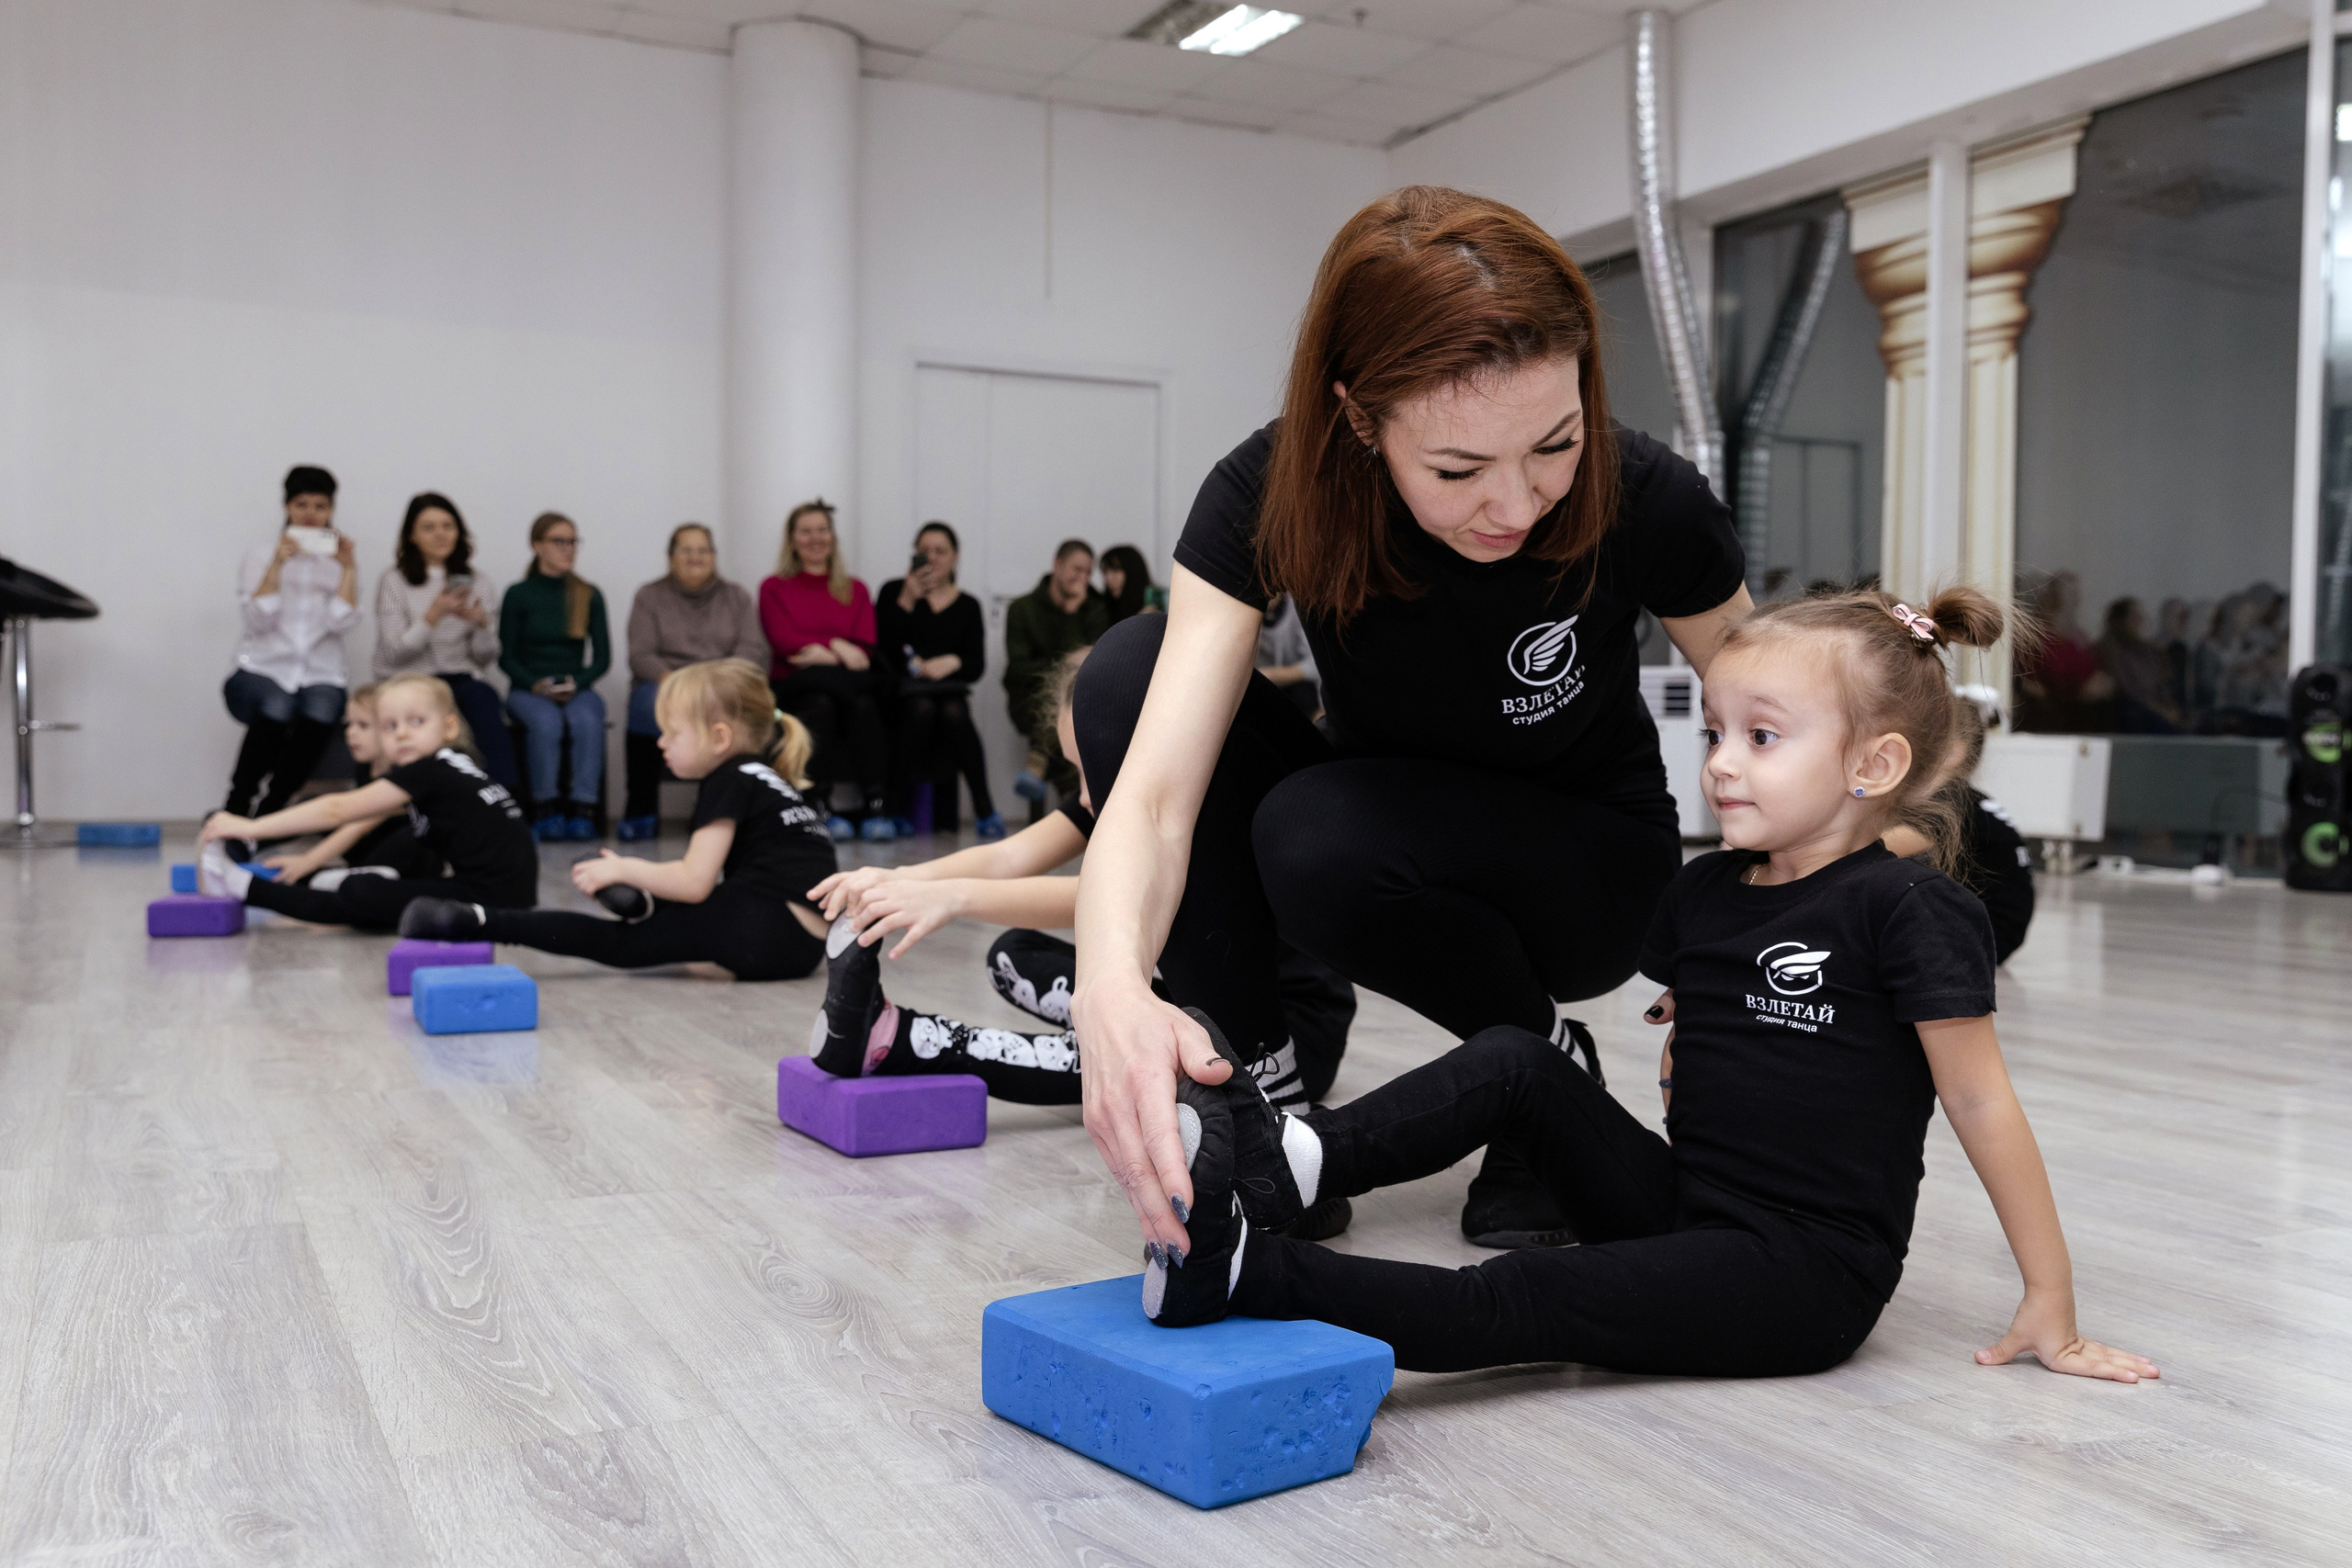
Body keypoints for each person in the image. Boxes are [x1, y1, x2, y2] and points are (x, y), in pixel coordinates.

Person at [1136, 587, 2161, 1409]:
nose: (1719, 763)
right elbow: (1699, 1021)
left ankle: (1244, 1274)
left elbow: (1982, 1105)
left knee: (1529, 1294)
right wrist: (1690, 1036)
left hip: (1797, 1275)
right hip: (1686, 1204)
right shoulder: (1709, 886)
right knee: (1515, 1058)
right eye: (1716, 731)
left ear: (1872, 765)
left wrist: (2049, 1298)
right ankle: (1286, 1167)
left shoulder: (1909, 909)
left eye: (1762, 738)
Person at [1068, 187, 1753, 1257]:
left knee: (1319, 829)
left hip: (1585, 864)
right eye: (1457, 470)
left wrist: (1743, 956)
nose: (1518, 506)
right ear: (1354, 417)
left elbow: (1778, 720)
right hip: (1375, 827)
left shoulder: (1648, 495)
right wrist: (1107, 991)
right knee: (1122, 672)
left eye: (1553, 446)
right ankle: (1258, 1090)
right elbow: (1153, 794)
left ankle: (1537, 1062)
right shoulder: (1270, 491)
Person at [807, 660, 1356, 1112]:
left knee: (1127, 1050)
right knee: (1012, 956)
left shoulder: (1199, 807)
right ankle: (902, 1039)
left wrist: (953, 898)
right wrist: (899, 878)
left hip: (1282, 1038)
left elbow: (1097, 900)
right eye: (1077, 768)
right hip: (1200, 1002)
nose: (1087, 794)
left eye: (1096, 766)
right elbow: (1011, 855)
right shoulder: (1111, 792)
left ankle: (904, 1043)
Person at [401, 660, 833, 982]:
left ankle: (477, 920)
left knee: (620, 945)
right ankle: (649, 904)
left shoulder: (728, 778)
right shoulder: (769, 778)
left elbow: (694, 881)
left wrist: (622, 867)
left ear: (719, 738)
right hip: (808, 946)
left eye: (673, 733)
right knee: (696, 911)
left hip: (765, 932)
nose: (661, 743)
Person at [195, 673, 537, 931]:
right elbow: (354, 818)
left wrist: (250, 825)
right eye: (390, 726)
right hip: (503, 894)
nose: (402, 733)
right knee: (368, 894)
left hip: (494, 902)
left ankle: (242, 886)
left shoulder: (430, 771)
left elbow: (337, 809)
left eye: (416, 722)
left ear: (448, 727)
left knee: (361, 895)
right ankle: (269, 882)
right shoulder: (452, 766)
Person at [222, 465, 358, 835]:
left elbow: (341, 622)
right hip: (261, 669)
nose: (311, 514)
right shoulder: (261, 555)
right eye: (301, 505)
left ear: (331, 510)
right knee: (278, 704)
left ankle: (272, 816)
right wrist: (278, 564)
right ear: (286, 507)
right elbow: (258, 620)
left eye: (320, 506)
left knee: (323, 708)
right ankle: (236, 807)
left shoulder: (337, 564)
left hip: (321, 671)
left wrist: (348, 569)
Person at [620, 524, 767, 841]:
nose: (695, 557)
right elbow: (641, 654)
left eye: (703, 550)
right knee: (646, 704)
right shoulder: (649, 596)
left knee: (740, 710)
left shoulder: (737, 597)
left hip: (723, 685)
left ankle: (717, 809)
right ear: (671, 557)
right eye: (686, 550)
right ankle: (641, 808)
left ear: (714, 556)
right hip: (666, 684)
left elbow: (751, 649)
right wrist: (680, 686)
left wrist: (714, 685)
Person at [372, 491, 521, 794]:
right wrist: (433, 616)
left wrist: (481, 625)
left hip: (461, 676)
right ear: (411, 535)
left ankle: (505, 799)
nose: (440, 534)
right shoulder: (394, 580)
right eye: (428, 527)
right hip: (410, 679)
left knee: (483, 701)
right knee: (424, 708)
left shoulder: (477, 581)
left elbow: (485, 657)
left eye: (448, 526)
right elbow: (395, 653)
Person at [762, 500, 892, 841]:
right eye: (805, 531)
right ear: (792, 540)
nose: (815, 538)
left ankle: (875, 803)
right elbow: (784, 642)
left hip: (847, 687)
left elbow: (864, 651)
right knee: (822, 702)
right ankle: (818, 804)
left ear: (833, 538)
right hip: (794, 687)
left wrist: (824, 649)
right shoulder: (773, 587)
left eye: (822, 530)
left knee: (860, 703)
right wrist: (839, 645)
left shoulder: (857, 589)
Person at [1883, 689, 2035, 964]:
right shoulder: (1963, 796)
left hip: (1984, 934)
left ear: (1953, 752)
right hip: (1994, 928)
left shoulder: (1950, 801)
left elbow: (1883, 848)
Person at [876, 522, 1003, 840]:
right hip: (902, 697)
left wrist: (953, 661)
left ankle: (985, 810)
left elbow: (976, 666)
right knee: (923, 707)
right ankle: (891, 810)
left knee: (952, 710)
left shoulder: (968, 605)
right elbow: (884, 653)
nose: (931, 558)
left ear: (955, 557)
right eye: (924, 552)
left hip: (948, 694)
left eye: (940, 551)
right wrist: (907, 599)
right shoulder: (894, 592)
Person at [256, 683, 441, 887]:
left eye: (362, 725)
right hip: (373, 848)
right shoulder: (364, 767)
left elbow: (358, 825)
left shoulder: (407, 775)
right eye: (349, 724)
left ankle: (346, 881)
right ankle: (252, 846)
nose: (350, 733)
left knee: (411, 838)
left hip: (410, 859)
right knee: (313, 805)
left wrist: (308, 861)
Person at [501, 512, 612, 840]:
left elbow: (603, 658)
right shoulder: (518, 594)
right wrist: (533, 684)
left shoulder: (587, 594)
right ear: (537, 546)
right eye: (559, 541)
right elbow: (506, 656)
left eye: (573, 541)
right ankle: (544, 808)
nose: (568, 549)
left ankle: (583, 810)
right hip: (528, 687)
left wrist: (578, 683)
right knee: (545, 723)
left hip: (576, 685)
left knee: (588, 719)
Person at [1005, 539, 1108, 809]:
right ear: (1057, 565)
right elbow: (1016, 670)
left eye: (1088, 572)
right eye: (1076, 569)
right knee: (1054, 688)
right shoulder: (1023, 609)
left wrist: (1073, 614)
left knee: (1069, 695)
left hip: (1081, 701)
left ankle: (1038, 761)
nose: (1082, 579)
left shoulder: (1094, 610)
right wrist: (1062, 665)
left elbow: (1093, 667)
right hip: (1028, 701)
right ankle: (1074, 809)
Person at [2094, 597, 2180, 734]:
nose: (2140, 621)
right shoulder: (2110, 649)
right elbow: (2128, 691)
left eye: (2140, 617)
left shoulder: (2149, 651)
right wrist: (2159, 710)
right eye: (2134, 617)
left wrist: (2169, 707)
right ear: (2121, 620)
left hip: (2157, 710)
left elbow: (2162, 684)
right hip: (2133, 714)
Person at [1254, 593, 1319, 717]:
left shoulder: (1299, 607)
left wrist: (1273, 675)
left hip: (1298, 687)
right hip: (1263, 688)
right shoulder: (1245, 613)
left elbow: (1316, 666)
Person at [1099, 544, 1156, 626]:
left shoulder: (1154, 604)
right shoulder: (1103, 609)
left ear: (1132, 572)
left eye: (1115, 570)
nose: (1108, 578)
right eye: (1105, 572)